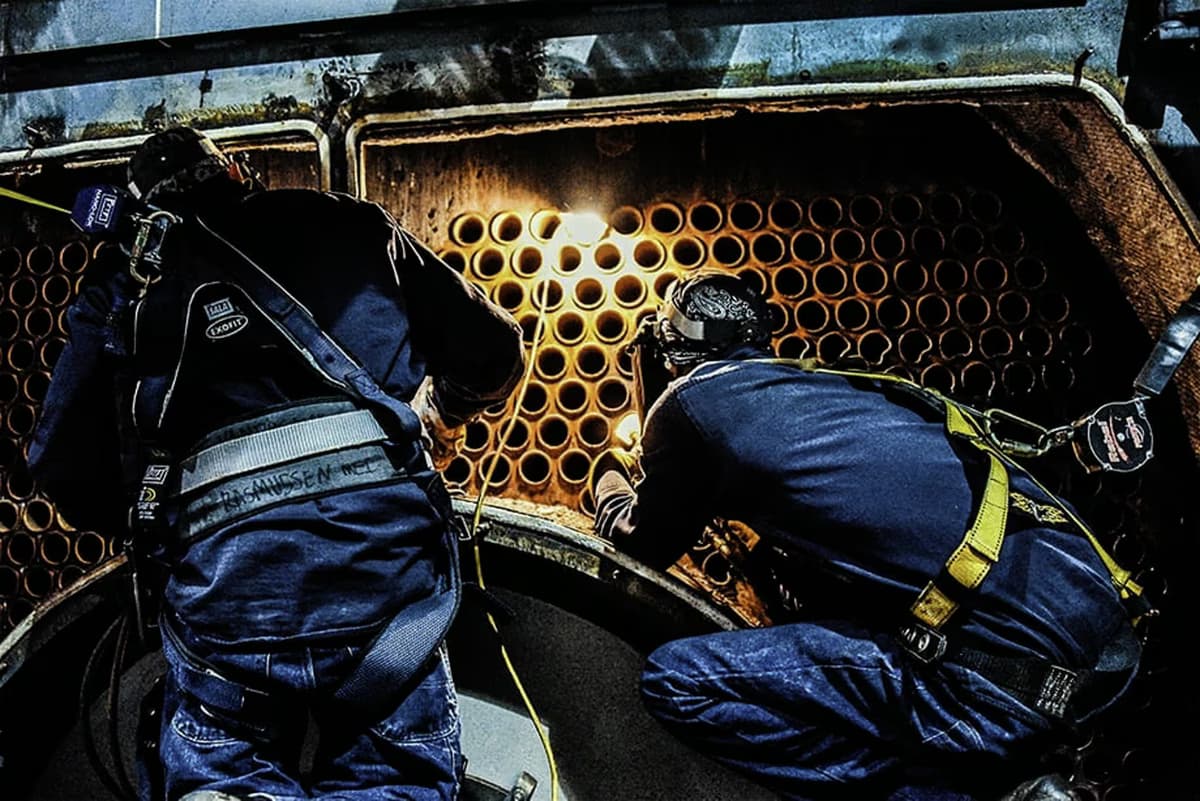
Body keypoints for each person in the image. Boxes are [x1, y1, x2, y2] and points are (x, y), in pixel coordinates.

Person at [27, 126, 525, 801]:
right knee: (395, 780)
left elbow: (58, 460)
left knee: (221, 762)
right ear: (237, 171)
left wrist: (158, 527)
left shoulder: (124, 281)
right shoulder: (348, 224)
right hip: (383, 591)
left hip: (230, 601)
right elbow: (493, 353)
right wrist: (439, 416)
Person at [589, 270, 1144, 801]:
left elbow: (644, 542)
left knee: (676, 684)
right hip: (1112, 653)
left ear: (672, 350)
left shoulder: (689, 402)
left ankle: (977, 795)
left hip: (996, 694)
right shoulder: (839, 389)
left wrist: (608, 480)